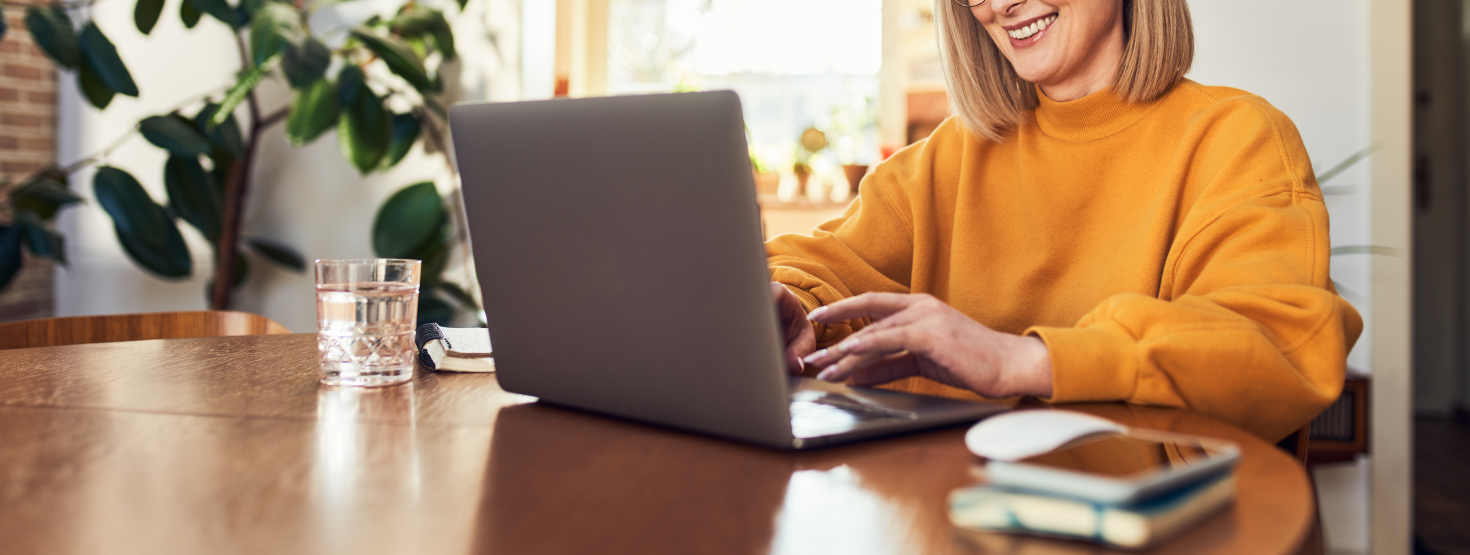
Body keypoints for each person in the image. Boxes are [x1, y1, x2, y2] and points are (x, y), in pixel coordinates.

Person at [766, 0, 1363, 441]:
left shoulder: (1237, 140)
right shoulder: (949, 157)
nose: (999, 6)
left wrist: (1022, 361)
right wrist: (788, 301)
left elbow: (1280, 345)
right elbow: (818, 263)